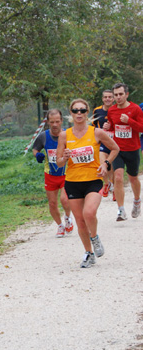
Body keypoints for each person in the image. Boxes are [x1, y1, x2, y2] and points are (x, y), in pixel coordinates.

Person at [56, 99, 119, 268]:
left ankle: (95, 237)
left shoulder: (96, 132)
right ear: (71, 113)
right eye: (75, 110)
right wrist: (65, 157)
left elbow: (115, 148)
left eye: (82, 110)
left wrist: (106, 164)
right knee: (80, 221)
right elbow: (59, 163)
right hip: (73, 181)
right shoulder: (64, 135)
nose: (79, 113)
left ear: (87, 112)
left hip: (93, 179)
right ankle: (88, 253)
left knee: (89, 213)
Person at [104, 83, 143, 221]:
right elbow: (113, 128)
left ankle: (137, 201)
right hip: (118, 149)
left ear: (127, 94)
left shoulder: (135, 109)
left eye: (121, 94)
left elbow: (142, 128)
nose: (118, 97)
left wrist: (130, 121)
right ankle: (121, 210)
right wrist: (107, 127)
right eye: (116, 95)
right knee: (118, 177)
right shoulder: (112, 111)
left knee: (133, 178)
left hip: (132, 149)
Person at [32, 109, 73, 237]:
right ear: (48, 122)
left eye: (57, 121)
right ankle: (60, 226)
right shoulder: (43, 136)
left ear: (61, 121)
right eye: (52, 122)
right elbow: (35, 149)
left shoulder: (68, 135)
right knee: (52, 203)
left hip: (66, 174)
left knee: (65, 200)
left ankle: (67, 217)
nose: (55, 124)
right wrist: (38, 155)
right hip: (50, 174)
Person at [93, 89, 115, 197]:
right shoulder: (97, 111)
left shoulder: (117, 110)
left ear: (113, 99)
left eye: (110, 97)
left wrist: (111, 127)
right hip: (102, 142)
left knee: (112, 166)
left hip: (115, 142)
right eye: (105, 97)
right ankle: (106, 184)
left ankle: (114, 186)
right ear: (102, 99)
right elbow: (93, 125)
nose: (107, 99)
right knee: (103, 163)